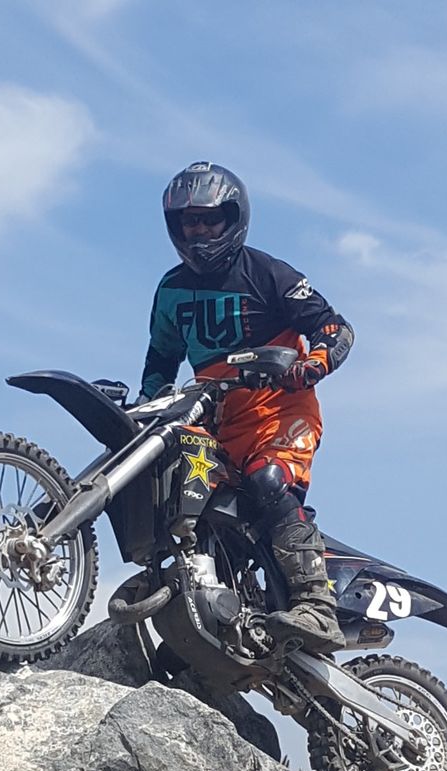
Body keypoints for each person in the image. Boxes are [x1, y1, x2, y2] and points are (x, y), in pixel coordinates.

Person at [138, 161, 354, 653]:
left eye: (209, 220)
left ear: (233, 219)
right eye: (188, 222)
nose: (198, 231)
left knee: (267, 480)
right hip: (212, 418)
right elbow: (161, 358)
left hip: (281, 410)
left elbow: (335, 327)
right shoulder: (171, 289)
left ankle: (316, 603)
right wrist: (150, 405)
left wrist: (310, 364)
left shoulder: (268, 273)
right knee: (179, 494)